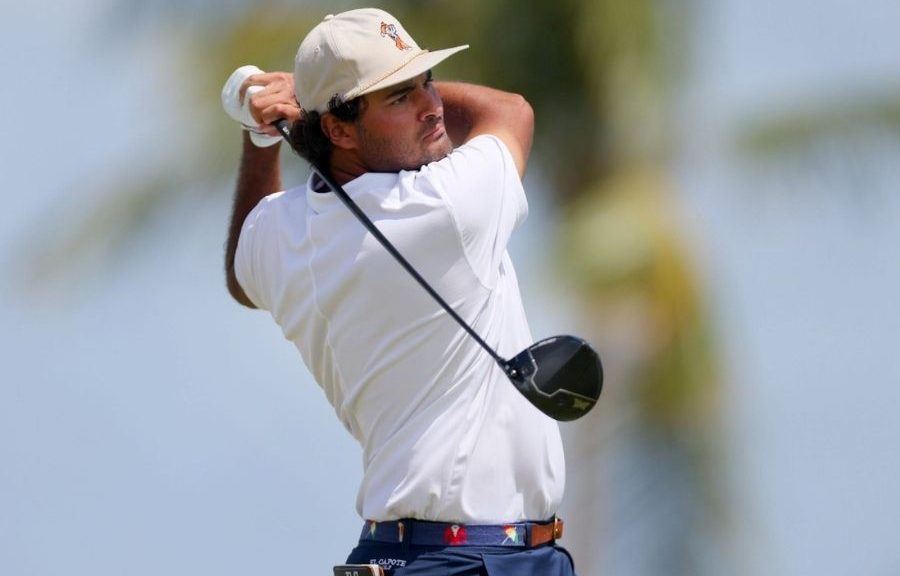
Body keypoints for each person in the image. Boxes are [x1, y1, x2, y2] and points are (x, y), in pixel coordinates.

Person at [222, 8, 576, 575]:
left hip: (400, 554)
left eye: (426, 82)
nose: (430, 106)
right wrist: (302, 102)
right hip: (476, 559)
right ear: (338, 130)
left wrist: (261, 137)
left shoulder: (283, 233)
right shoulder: (445, 206)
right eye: (398, 96)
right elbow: (511, 111)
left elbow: (242, 271)